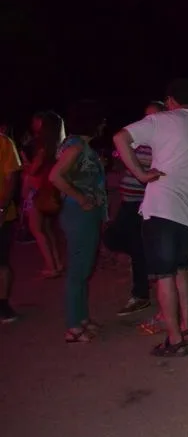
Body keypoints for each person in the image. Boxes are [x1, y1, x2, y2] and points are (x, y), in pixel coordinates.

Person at [113, 78, 188, 356]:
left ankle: (174, 339)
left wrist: (141, 174)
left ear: (169, 101)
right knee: (181, 268)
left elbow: (120, 138)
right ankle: (186, 327)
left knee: (164, 275)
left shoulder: (161, 120)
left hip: (161, 207)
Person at [48, 104, 108, 342]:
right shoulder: (76, 146)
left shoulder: (78, 145)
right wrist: (81, 198)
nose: (103, 125)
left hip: (83, 212)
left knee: (83, 267)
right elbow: (55, 176)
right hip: (79, 212)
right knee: (78, 269)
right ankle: (73, 327)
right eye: (101, 120)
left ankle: (81, 318)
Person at [104, 100, 165, 316]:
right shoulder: (140, 141)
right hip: (128, 201)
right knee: (114, 239)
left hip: (141, 203)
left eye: (154, 116)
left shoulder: (161, 145)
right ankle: (146, 271)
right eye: (146, 116)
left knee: (129, 244)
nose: (149, 120)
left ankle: (140, 294)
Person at [25, 111, 66, 277]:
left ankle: (51, 266)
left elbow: (33, 170)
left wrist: (24, 162)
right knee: (48, 229)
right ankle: (57, 263)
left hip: (39, 190)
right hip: (51, 191)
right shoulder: (60, 145)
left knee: (36, 229)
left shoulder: (43, 146)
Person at [0, 129, 23, 322]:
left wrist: (2, 208)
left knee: (1, 262)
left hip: (2, 215)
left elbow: (11, 178)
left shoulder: (4, 143)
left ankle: (3, 305)